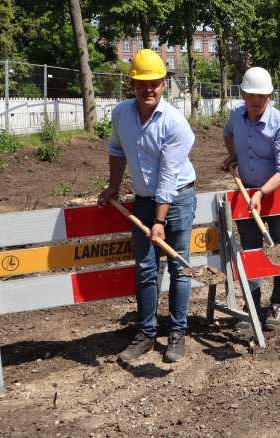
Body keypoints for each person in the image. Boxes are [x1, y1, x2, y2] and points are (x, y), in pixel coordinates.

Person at [97, 49, 196, 363]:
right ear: (133, 85)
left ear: (164, 84)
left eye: (154, 83)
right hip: (142, 200)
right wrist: (113, 185)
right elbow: (116, 149)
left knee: (179, 267)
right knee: (145, 268)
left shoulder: (176, 124)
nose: (148, 89)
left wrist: (160, 221)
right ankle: (146, 334)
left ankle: (177, 334)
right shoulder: (121, 114)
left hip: (177, 198)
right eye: (142, 83)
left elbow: (168, 176)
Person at [220, 67, 280, 332]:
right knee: (251, 251)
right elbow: (228, 133)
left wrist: (262, 193)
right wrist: (234, 156)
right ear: (243, 94)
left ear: (270, 96)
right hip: (247, 194)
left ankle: (278, 305)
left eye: (261, 97)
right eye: (251, 95)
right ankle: (252, 304)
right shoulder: (236, 116)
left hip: (277, 196)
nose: (256, 101)